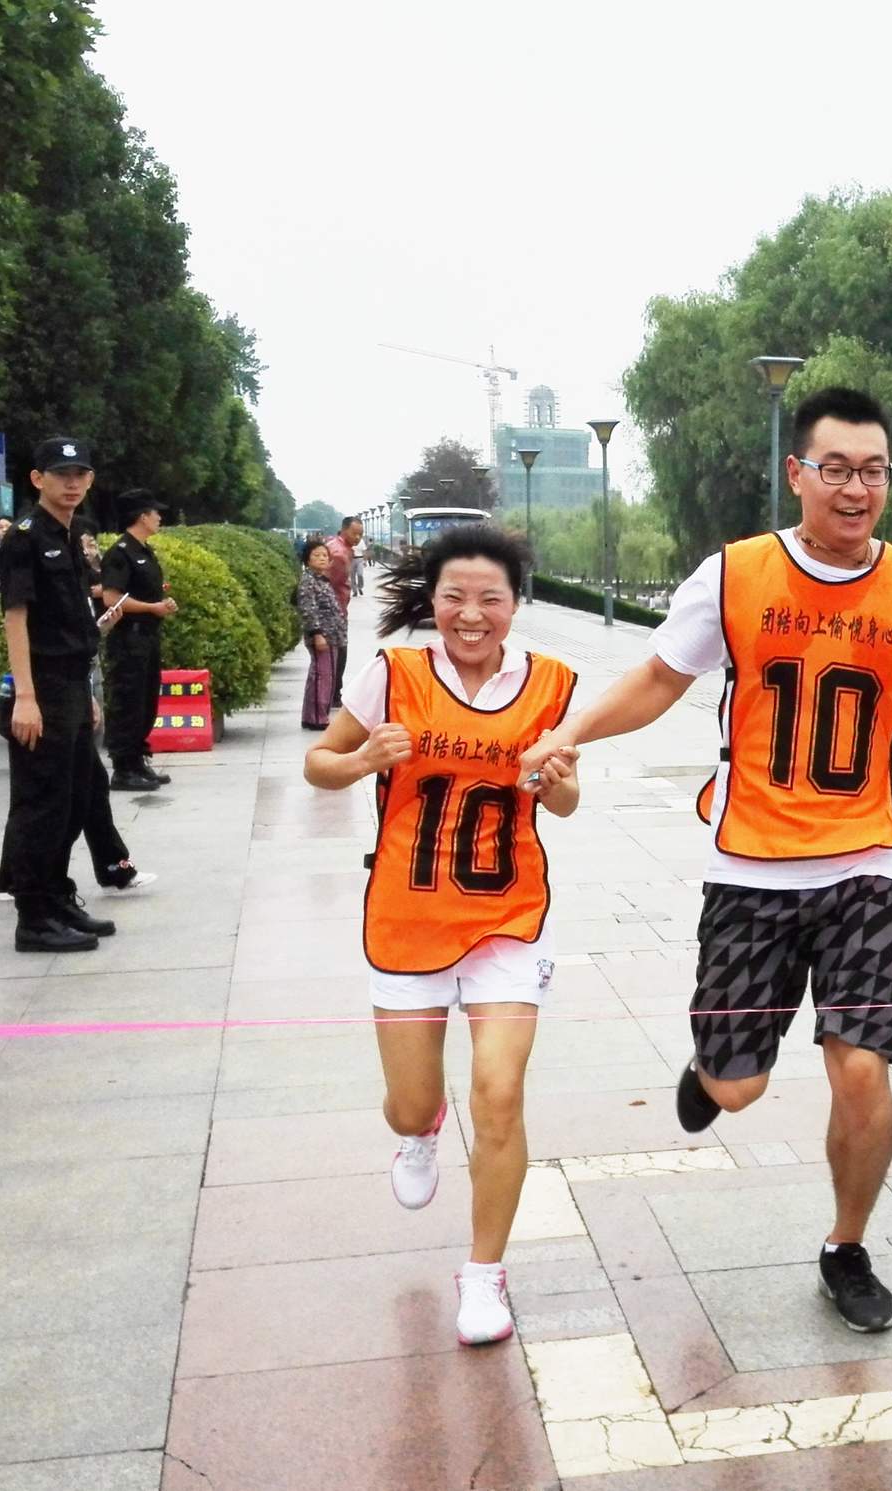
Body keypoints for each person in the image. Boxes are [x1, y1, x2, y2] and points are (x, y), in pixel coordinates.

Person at [520, 387, 892, 1335]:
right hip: (749, 865)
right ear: (798, 474)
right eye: (836, 469)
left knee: (861, 1068)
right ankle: (712, 1072)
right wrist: (568, 731)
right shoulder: (736, 574)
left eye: (874, 471)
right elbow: (660, 679)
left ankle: (846, 1245)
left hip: (866, 864)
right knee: (739, 1086)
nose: (855, 488)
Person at [303, 525, 581, 1347]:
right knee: (411, 1101)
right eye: (455, 596)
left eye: (490, 598)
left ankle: (485, 1272)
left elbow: (565, 802)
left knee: (499, 1091)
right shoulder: (394, 674)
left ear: (515, 604)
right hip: (408, 916)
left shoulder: (552, 684)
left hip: (507, 919)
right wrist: (364, 760)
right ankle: (420, 1131)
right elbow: (319, 762)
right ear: (434, 601)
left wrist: (559, 782)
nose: (471, 613)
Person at [0, 437, 120, 952]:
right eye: (61, 474)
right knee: (42, 803)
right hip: (41, 686)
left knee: (75, 797)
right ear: (37, 479)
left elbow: (72, 621)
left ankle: (57, 896)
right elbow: (16, 617)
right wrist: (25, 697)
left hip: (70, 683)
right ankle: (33, 916)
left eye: (80, 474)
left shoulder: (70, 534)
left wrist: (84, 691)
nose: (71, 483)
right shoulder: (24, 538)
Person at [99, 491, 177, 791]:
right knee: (128, 701)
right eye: (155, 512)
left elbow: (148, 591)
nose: (159, 517)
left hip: (147, 637)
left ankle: (138, 760)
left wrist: (162, 604)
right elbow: (111, 598)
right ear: (142, 516)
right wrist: (151, 608)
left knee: (146, 700)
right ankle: (123, 767)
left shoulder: (145, 550)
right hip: (128, 639)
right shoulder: (120, 553)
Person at [296, 539, 346, 730]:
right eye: (316, 555)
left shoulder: (321, 580)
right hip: (322, 636)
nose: (322, 558)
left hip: (332, 635)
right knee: (322, 676)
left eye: (325, 555)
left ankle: (312, 715)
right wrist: (317, 634)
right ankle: (317, 717)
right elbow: (308, 609)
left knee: (323, 675)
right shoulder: (308, 581)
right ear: (307, 559)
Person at [324, 515, 364, 702]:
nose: (358, 537)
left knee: (335, 652)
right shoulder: (339, 554)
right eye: (354, 533)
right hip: (335, 610)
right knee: (339, 652)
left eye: (360, 534)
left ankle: (331, 692)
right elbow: (330, 584)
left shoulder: (334, 546)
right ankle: (334, 693)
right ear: (344, 530)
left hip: (334, 609)